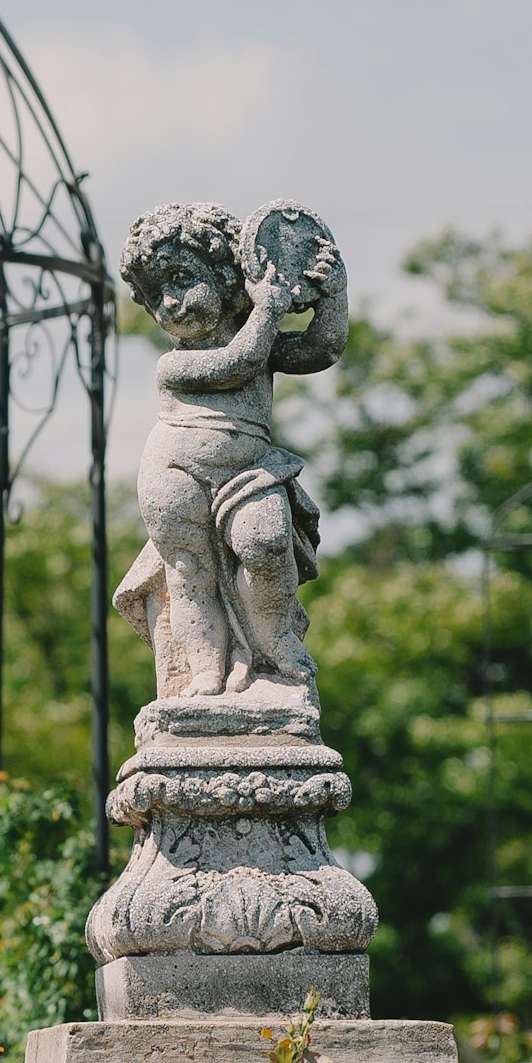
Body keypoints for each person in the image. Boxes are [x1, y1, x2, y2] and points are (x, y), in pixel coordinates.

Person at [113, 201, 346, 711]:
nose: (170, 303)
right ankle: (203, 671)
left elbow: (321, 349)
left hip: (248, 470)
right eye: (156, 296)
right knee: (189, 571)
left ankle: (277, 643)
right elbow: (236, 363)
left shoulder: (263, 344)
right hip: (174, 473)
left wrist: (332, 295)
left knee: (265, 542)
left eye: (180, 279)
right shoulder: (175, 365)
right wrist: (268, 306)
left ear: (226, 276)